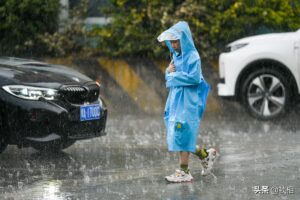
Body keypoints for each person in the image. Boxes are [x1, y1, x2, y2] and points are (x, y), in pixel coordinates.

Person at [157, 21, 217, 183]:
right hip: (176, 100)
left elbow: (194, 78)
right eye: (172, 42)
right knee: (179, 134)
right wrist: (167, 72)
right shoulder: (175, 57)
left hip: (188, 102)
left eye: (176, 41)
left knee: (181, 132)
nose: (174, 45)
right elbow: (169, 76)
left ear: (184, 40)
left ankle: (184, 171)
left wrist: (171, 76)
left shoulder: (193, 56)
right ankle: (205, 155)